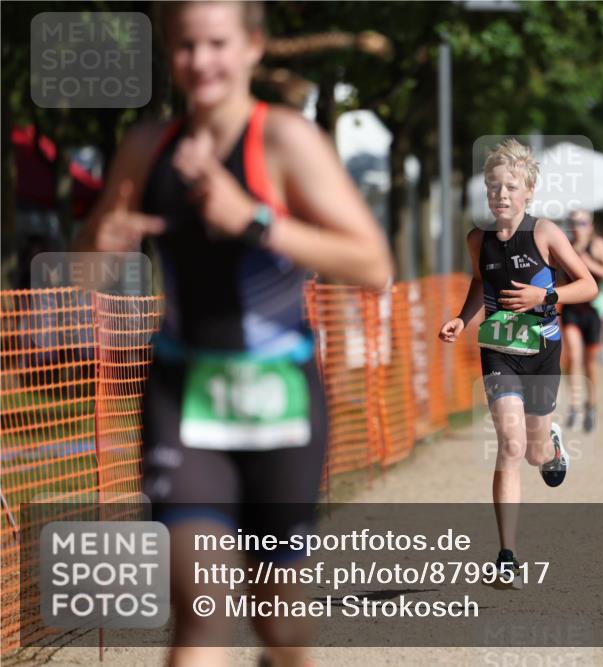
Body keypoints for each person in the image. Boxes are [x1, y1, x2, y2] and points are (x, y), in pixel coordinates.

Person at [74, 3, 392, 665]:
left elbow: (373, 264)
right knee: (202, 612)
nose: (201, 62)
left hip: (280, 394)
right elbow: (84, 274)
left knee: (278, 619)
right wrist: (98, 246)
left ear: (252, 46)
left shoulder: (285, 141)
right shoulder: (146, 146)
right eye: (186, 46)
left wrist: (253, 219)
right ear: (168, 52)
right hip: (183, 391)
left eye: (217, 43)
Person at [438, 139, 596, 585]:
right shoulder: (478, 240)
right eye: (493, 187)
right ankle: (507, 555)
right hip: (498, 354)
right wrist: (461, 318)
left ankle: (552, 446)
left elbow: (588, 286)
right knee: (509, 446)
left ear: (528, 191)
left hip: (543, 354)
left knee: (535, 452)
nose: (501, 195)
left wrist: (543, 295)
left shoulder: (544, 233)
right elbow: (478, 284)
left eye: (510, 187)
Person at [560, 209, 603, 432]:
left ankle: (591, 404)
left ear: (591, 226)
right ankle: (574, 405)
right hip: (572, 309)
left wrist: (589, 264)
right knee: (573, 356)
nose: (577, 227)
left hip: (593, 310)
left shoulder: (598, 246)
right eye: (573, 222)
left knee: (590, 363)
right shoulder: (565, 245)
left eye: (582, 222)